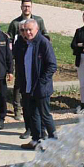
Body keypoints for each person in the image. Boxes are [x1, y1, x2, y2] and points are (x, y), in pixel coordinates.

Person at [14, 19, 57, 150]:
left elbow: (52, 65)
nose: (27, 32)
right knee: (32, 114)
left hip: (41, 88)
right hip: (27, 87)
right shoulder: (24, 43)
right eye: (25, 30)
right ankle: (36, 139)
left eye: (30, 30)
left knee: (45, 115)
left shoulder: (43, 43)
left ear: (37, 30)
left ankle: (54, 142)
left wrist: (41, 82)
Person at [7, 0, 48, 119]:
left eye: (29, 6)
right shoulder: (15, 23)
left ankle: (34, 107)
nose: (26, 8)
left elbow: (45, 34)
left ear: (32, 7)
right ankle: (17, 109)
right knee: (19, 83)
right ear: (21, 7)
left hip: (35, 56)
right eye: (24, 6)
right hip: (20, 56)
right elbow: (9, 38)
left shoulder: (38, 21)